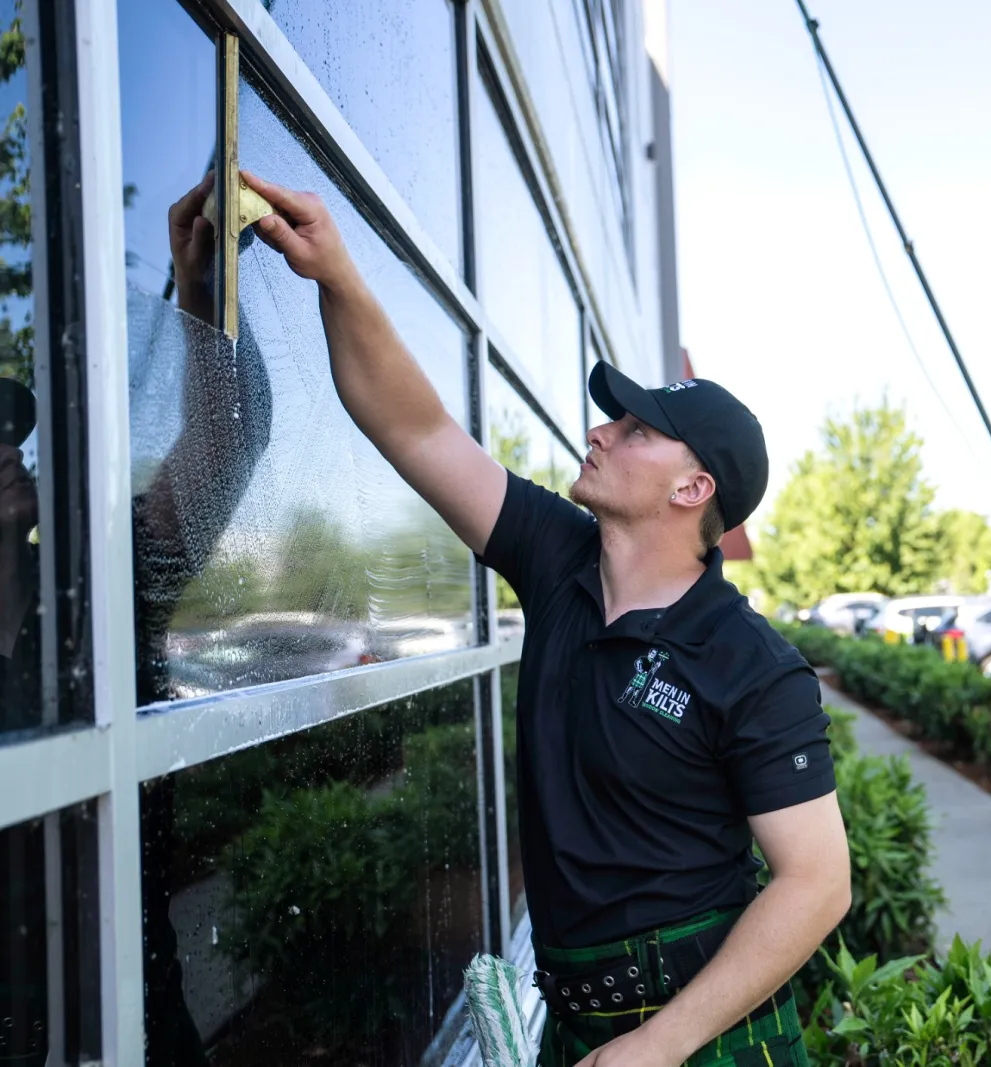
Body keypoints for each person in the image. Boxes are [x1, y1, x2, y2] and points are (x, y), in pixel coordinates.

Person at [244, 172, 851, 1067]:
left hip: (704, 1031)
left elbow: (819, 883)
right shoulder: (558, 557)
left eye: (636, 429)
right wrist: (337, 274)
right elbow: (413, 429)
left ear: (694, 489)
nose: (601, 432)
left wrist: (660, 1043)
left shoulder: (750, 662)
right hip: (580, 1018)